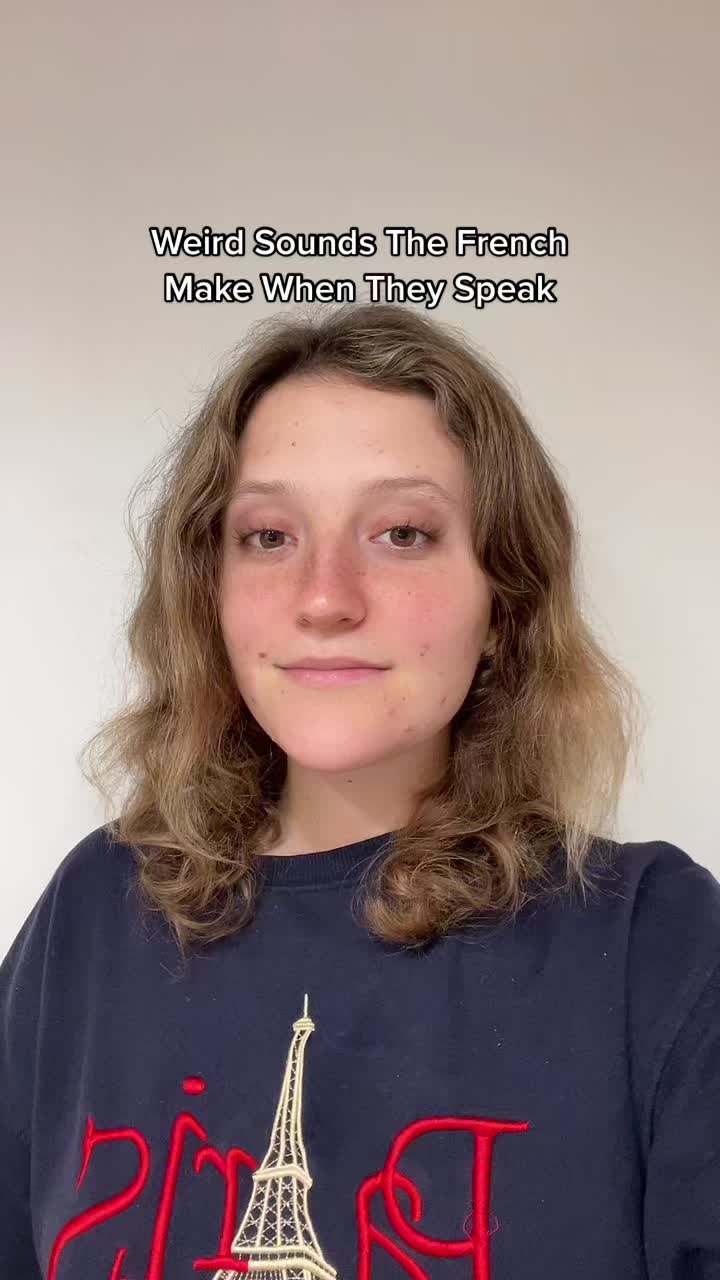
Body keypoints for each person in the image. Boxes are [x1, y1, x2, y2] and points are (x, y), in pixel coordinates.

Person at [1, 302, 718, 1279]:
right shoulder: (94, 911)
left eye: (402, 532)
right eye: (268, 535)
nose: (325, 596)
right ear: (210, 593)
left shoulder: (659, 942)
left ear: (504, 604)